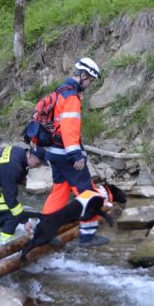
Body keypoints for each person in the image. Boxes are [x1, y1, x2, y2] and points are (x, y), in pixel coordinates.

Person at [42, 57, 109, 247]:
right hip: (66, 154)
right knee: (88, 193)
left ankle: (45, 232)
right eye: (90, 81)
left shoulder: (59, 91)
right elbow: (69, 128)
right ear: (83, 75)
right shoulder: (71, 96)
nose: (90, 84)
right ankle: (87, 236)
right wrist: (75, 155)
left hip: (54, 152)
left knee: (59, 191)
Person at [0, 145, 48, 242]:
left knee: (4, 215)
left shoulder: (19, 152)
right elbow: (10, 198)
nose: (38, 167)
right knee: (13, 217)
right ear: (30, 155)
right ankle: (3, 244)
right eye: (38, 163)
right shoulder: (12, 166)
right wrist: (25, 220)